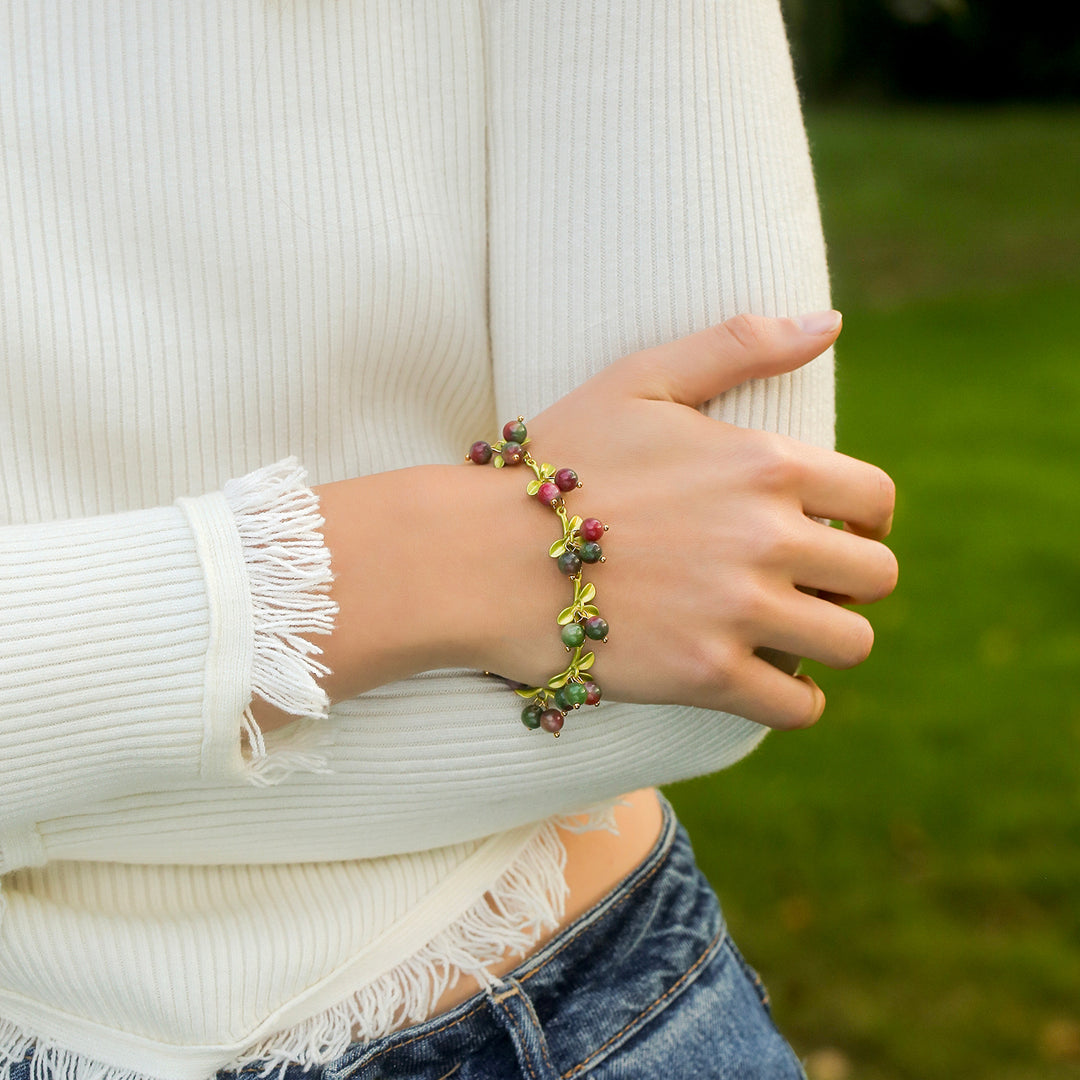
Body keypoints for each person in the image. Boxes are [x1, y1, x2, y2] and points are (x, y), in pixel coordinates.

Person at [0, 3, 896, 1078]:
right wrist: (437, 561)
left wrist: (55, 720)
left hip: (537, 1017)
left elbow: (700, 652)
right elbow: (630, 587)